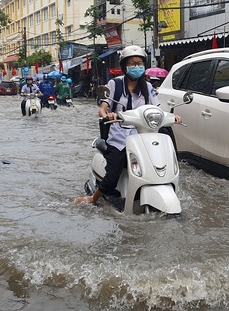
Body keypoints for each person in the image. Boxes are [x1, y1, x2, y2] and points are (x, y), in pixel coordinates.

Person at [74, 45, 181, 205]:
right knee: (112, 176)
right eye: (132, 63)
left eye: (139, 63)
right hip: (119, 138)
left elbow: (157, 110)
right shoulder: (114, 85)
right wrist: (108, 114)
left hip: (142, 137)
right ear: (124, 66)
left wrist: (172, 116)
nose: (136, 67)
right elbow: (102, 109)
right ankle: (92, 198)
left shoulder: (149, 88)